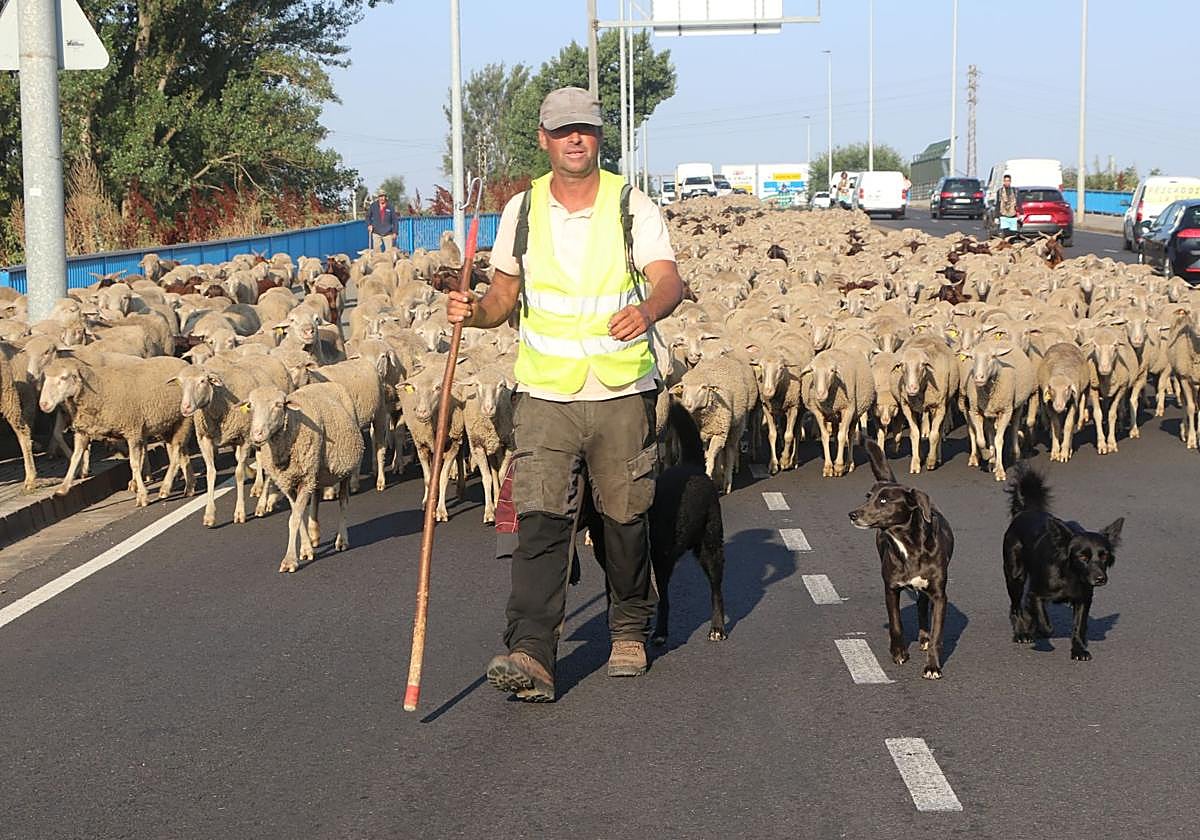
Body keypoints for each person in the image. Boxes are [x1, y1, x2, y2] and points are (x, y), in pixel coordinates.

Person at [446, 86, 683, 703]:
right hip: (546, 394)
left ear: (601, 138)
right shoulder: (521, 213)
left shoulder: (631, 206)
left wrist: (648, 310)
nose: (576, 138)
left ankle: (628, 626)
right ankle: (532, 650)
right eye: (563, 129)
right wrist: (473, 311)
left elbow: (668, 280)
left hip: (620, 388)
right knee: (540, 523)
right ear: (544, 140)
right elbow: (502, 299)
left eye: (587, 129)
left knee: (624, 519)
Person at [997, 174, 1019, 239]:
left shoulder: (1014, 191)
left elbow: (1018, 202)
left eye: (1008, 181)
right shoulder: (1000, 191)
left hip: (1013, 215)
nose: (1007, 182)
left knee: (1013, 235)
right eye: (1005, 181)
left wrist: (1021, 213)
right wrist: (996, 217)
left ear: (1010, 181)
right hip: (1004, 215)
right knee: (1005, 234)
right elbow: (998, 204)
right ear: (1003, 182)